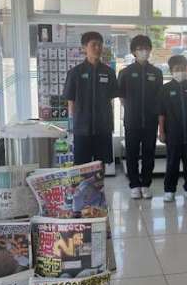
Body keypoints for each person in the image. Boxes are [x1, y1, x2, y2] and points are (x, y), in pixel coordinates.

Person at [118, 35, 163, 199]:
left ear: (150, 50)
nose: (144, 51)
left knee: (149, 153)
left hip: (151, 121)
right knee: (132, 153)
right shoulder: (125, 72)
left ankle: (145, 184)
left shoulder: (156, 73)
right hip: (132, 121)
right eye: (140, 49)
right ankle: (134, 185)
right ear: (134, 52)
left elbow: (159, 97)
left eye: (146, 48)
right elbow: (121, 97)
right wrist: (132, 110)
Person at [63, 31, 118, 166]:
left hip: (103, 127)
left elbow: (112, 98)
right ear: (84, 48)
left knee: (101, 164)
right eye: (93, 45)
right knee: (82, 165)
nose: (97, 48)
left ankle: (100, 181)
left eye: (100, 45)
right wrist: (75, 124)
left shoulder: (109, 72)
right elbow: (71, 101)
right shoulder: (75, 73)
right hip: (82, 129)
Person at [158, 55, 187, 203]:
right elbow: (161, 113)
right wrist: (161, 132)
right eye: (177, 69)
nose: (180, 71)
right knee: (172, 163)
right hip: (173, 133)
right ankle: (169, 190)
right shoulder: (165, 89)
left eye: (183, 68)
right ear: (171, 71)